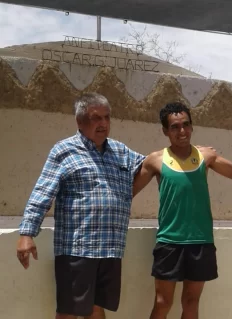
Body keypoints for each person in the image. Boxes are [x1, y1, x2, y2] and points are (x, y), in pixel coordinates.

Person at [132, 102, 232, 319]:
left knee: (191, 302)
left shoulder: (205, 156)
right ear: (165, 131)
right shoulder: (156, 160)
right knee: (162, 303)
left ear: (191, 126)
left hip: (200, 241)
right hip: (169, 242)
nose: (182, 131)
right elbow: (128, 193)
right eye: (175, 127)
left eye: (186, 125)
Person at [16, 92, 145, 319]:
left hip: (111, 248)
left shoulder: (120, 151)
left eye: (107, 117)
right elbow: (43, 192)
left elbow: (149, 164)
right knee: (69, 312)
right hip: (78, 248)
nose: (103, 123)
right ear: (80, 121)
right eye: (96, 118)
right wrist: (27, 233)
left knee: (97, 310)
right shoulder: (64, 150)